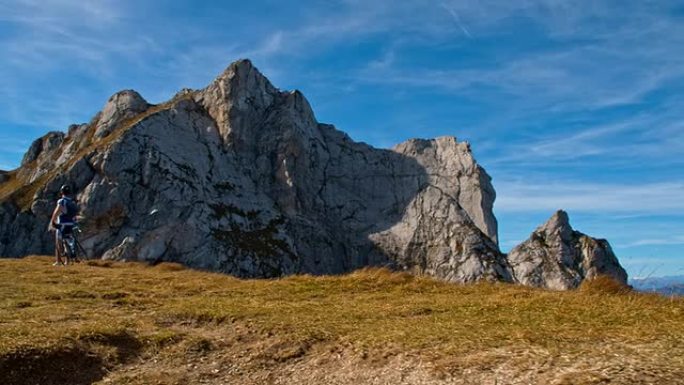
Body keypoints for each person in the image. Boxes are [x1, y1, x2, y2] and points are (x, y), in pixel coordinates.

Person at [49, 185, 78, 266]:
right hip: (70, 224)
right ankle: (67, 261)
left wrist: (53, 221)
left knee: (58, 242)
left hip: (62, 224)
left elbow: (57, 211)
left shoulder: (62, 201)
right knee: (67, 242)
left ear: (61, 192)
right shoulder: (72, 202)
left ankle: (58, 261)